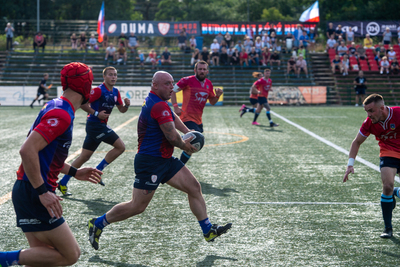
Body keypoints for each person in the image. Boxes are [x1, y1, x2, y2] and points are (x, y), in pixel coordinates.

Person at [87, 71, 231, 250]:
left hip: (164, 159)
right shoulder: (158, 106)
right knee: (137, 206)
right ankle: (98, 223)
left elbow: (173, 117)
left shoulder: (159, 101)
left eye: (172, 83)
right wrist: (186, 146)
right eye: (167, 84)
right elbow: (172, 137)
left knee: (194, 187)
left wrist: (189, 133)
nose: (172, 87)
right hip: (150, 163)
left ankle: (208, 229)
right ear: (155, 85)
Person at [0, 62, 102, 267]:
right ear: (83, 85)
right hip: (34, 191)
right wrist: (42, 192)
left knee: (42, 258)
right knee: (70, 254)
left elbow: (45, 155)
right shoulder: (61, 114)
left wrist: (74, 172)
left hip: (27, 189)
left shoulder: (56, 105)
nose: (92, 88)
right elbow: (27, 150)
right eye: (90, 82)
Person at [58, 66, 130, 196]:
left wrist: (127, 105)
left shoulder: (115, 92)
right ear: (104, 77)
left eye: (115, 75)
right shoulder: (98, 90)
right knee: (120, 147)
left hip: (98, 126)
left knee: (84, 157)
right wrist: (96, 113)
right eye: (110, 74)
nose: (113, 77)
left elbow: (122, 110)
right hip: (95, 125)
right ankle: (98, 171)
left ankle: (62, 182)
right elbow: (82, 103)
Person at [343, 94, 400, 238]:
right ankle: (388, 228)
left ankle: (396, 192)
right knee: (387, 186)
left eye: (371, 111)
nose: (369, 115)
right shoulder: (369, 122)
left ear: (382, 108)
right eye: (366, 111)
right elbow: (356, 142)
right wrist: (350, 164)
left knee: (392, 189)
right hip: (389, 153)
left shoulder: (398, 113)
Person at [170, 61, 223, 165]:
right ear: (195, 70)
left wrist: (217, 96)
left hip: (198, 120)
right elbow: (172, 90)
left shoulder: (208, 84)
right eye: (200, 69)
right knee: (192, 143)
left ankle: (178, 166)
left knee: (191, 148)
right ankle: (178, 166)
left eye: (204, 69)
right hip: (187, 118)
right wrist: (175, 106)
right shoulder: (187, 80)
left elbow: (212, 102)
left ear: (207, 71)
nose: (202, 71)